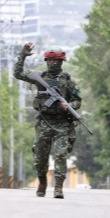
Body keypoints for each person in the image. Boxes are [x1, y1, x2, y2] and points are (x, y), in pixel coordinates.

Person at [13, 44, 82, 199]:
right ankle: (42, 182)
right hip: (44, 122)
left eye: (56, 61)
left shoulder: (68, 82)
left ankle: (58, 187)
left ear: (62, 62)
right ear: (46, 61)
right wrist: (22, 56)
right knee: (40, 156)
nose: (53, 63)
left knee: (60, 155)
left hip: (62, 124)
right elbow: (18, 73)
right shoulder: (40, 77)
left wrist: (69, 105)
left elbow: (77, 101)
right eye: (50, 60)